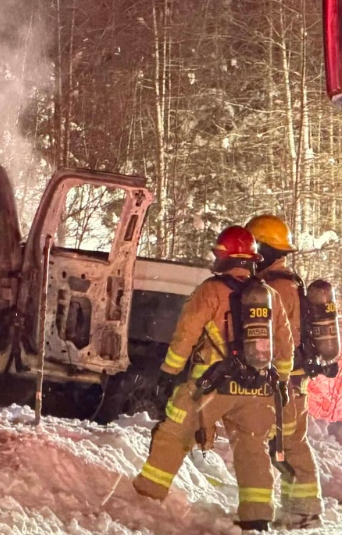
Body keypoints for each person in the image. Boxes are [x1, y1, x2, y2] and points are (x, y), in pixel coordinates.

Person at [133, 225, 294, 532]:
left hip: (211, 387)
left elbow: (186, 334)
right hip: (259, 389)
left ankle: (147, 496)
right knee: (252, 449)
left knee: (173, 434)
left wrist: (168, 373)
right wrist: (282, 381)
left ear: (224, 256)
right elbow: (285, 346)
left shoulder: (212, 290)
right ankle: (257, 516)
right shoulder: (270, 296)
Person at [245, 215, 323, 529]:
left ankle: (305, 511)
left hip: (287, 379)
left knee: (290, 442)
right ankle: (296, 509)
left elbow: (281, 337)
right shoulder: (285, 283)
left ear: (263, 249)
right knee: (282, 443)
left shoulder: (276, 288)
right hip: (289, 377)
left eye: (253, 246)